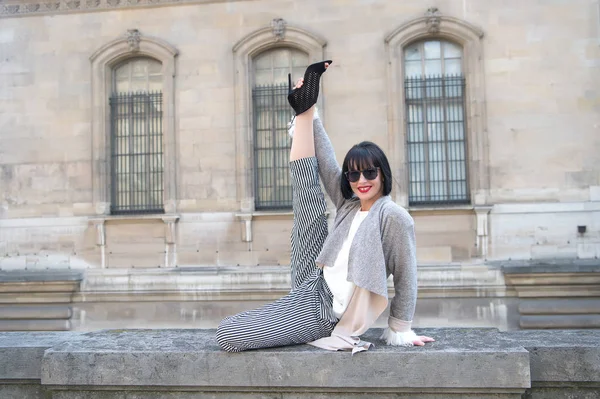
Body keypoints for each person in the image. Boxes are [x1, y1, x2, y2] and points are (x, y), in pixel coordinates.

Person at [216, 61, 434, 353]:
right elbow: (328, 164)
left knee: (228, 335)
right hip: (314, 277)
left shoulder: (393, 217)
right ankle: (302, 112)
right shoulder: (349, 204)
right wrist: (310, 114)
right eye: (354, 174)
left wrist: (401, 328)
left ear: (383, 174)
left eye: (370, 172)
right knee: (306, 197)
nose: (361, 180)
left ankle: (296, 321)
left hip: (325, 310)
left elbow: (407, 275)